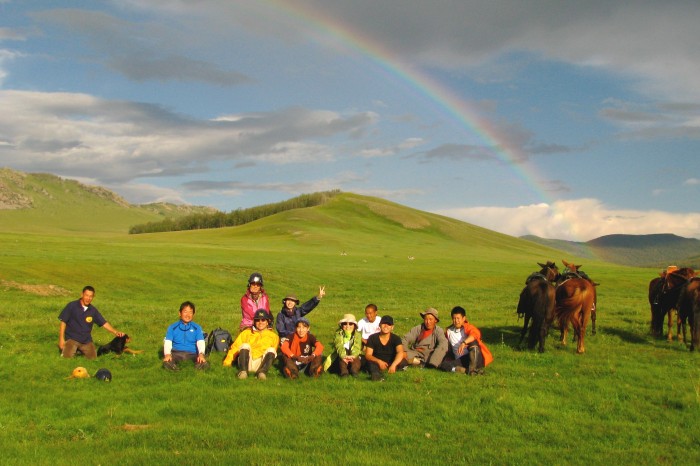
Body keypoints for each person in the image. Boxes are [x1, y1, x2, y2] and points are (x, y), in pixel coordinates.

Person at [58, 286, 124, 359]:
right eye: (86, 295)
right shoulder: (72, 306)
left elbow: (103, 323)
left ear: (93, 297)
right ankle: (69, 349)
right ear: (82, 295)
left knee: (93, 359)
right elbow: (63, 321)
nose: (88, 298)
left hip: (86, 341)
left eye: (90, 296)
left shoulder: (93, 310)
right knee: (67, 358)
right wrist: (61, 339)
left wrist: (115, 332)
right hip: (72, 339)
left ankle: (78, 350)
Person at [223, 309, 279, 380]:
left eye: (263, 320)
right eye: (257, 320)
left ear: (267, 322)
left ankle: (262, 373)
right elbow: (235, 348)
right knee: (245, 345)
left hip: (261, 363)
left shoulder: (274, 336)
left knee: (272, 350)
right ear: (254, 322)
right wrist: (227, 362)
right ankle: (243, 372)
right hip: (247, 361)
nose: (260, 322)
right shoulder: (246, 333)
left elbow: (273, 355)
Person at [440, 306, 493, 375]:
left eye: (458, 318)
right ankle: (466, 371)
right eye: (454, 318)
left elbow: (475, 334)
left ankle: (472, 369)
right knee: (443, 365)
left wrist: (464, 343)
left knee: (473, 342)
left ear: (463, 318)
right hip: (461, 360)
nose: (456, 321)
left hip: (475, 357)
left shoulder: (468, 327)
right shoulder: (448, 331)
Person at [162, 301, 209, 371]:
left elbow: (200, 342)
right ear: (180, 313)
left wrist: (201, 354)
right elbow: (168, 342)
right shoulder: (172, 327)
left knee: (204, 363)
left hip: (192, 353)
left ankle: (197, 369)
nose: (188, 315)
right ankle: (175, 370)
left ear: (193, 314)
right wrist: (167, 354)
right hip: (176, 353)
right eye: (185, 312)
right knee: (167, 362)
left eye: (190, 312)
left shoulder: (197, 327)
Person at [364, 315, 408, 381]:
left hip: (391, 362)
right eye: (384, 323)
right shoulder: (372, 338)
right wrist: (379, 361)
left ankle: (392, 369)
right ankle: (376, 376)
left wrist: (394, 365)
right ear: (380, 325)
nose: (386, 326)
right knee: (370, 363)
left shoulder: (396, 338)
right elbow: (368, 355)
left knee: (403, 361)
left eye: (389, 324)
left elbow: (400, 352)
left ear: (392, 327)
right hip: (376, 362)